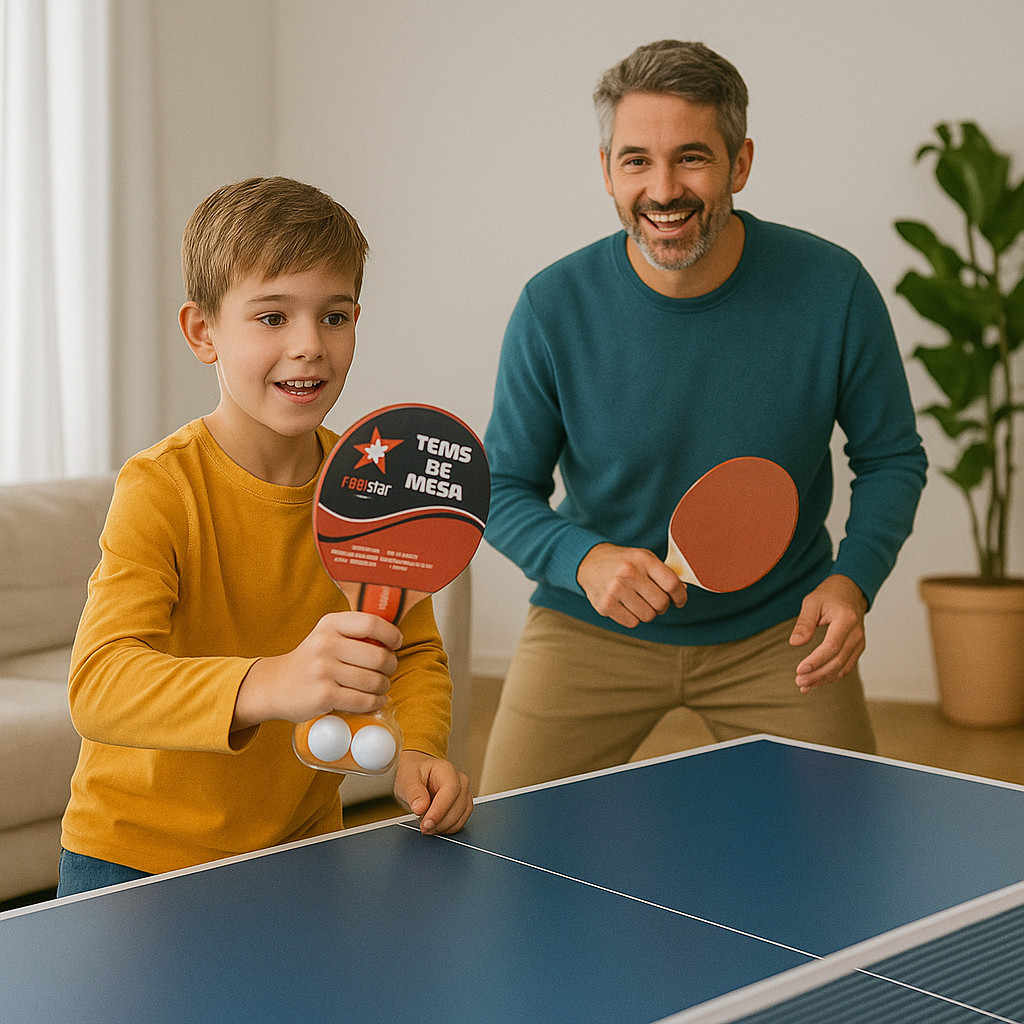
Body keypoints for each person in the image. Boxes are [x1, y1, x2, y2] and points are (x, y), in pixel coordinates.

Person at [480, 41, 927, 793]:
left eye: (691, 158)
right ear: (606, 172)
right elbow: (499, 487)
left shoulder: (834, 289)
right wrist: (581, 560)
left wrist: (853, 582)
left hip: (780, 633)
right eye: (635, 162)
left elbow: (890, 458)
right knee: (500, 848)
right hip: (590, 628)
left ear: (739, 164)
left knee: (850, 862)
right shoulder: (552, 306)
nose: (663, 189)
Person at [58, 177, 472, 897]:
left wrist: (421, 748)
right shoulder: (160, 487)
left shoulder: (375, 490)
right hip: (131, 862)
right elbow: (99, 685)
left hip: (298, 852)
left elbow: (413, 653)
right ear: (202, 332)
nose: (310, 346)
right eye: (273, 317)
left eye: (334, 315)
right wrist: (269, 681)